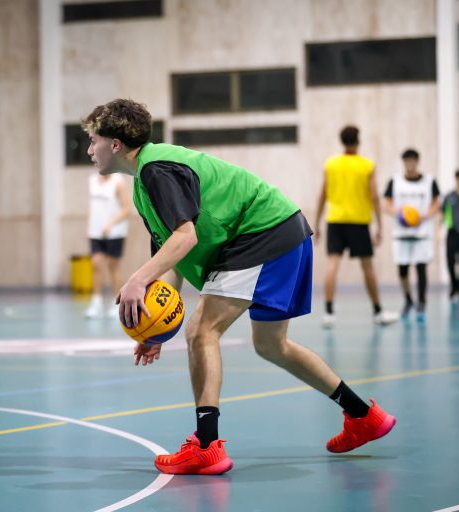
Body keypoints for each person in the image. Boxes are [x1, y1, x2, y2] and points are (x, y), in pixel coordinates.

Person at [82, 99, 396, 476]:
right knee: (271, 345)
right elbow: (173, 258)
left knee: (202, 332)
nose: (89, 150)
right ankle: (364, 415)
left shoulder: (156, 170)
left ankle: (206, 446)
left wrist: (135, 280)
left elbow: (185, 238)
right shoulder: (144, 183)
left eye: (93, 140)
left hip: (261, 234)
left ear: (115, 144)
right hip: (284, 231)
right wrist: (157, 328)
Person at [314, 126, 397, 328]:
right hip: (359, 222)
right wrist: (380, 225)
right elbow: (375, 196)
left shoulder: (331, 164)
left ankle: (328, 313)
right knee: (367, 266)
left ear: (342, 141)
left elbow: (323, 195)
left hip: (335, 220)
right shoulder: (366, 165)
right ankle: (378, 312)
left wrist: (316, 223)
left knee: (332, 265)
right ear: (358, 140)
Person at [383, 149, 440, 322]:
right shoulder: (395, 181)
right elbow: (386, 203)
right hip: (401, 234)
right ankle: (408, 300)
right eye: (407, 161)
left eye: (412, 161)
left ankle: (422, 302)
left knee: (421, 268)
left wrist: (424, 216)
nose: (410, 164)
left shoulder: (429, 181)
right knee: (403, 270)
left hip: (422, 233)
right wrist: (400, 214)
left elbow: (436, 203)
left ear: (417, 161)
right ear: (403, 162)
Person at [85, 171, 131, 318]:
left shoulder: (118, 181)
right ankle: (96, 302)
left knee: (113, 265)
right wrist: (89, 227)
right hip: (96, 232)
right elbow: (93, 208)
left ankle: (116, 303)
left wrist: (111, 224)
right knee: (96, 264)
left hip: (115, 232)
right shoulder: (92, 180)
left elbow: (126, 209)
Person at [442, 169, 459, 303]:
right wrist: (440, 229)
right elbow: (443, 213)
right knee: (450, 261)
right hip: (453, 232)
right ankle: (454, 287)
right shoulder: (449, 196)